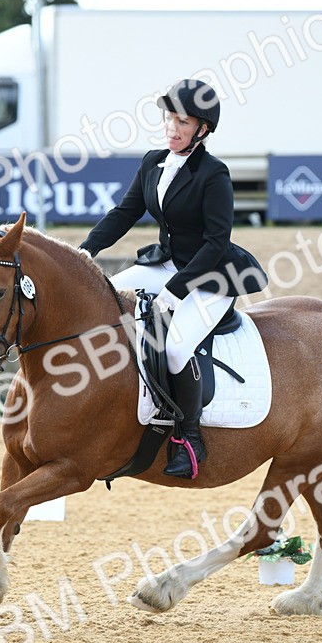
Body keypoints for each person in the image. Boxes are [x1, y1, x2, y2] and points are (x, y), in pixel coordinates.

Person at [80, 79, 267, 479]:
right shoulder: (153, 161)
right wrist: (85, 251)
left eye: (182, 122)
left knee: (178, 347)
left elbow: (217, 243)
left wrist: (175, 291)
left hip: (211, 275)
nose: (172, 127)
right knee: (106, 298)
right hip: (166, 261)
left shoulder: (214, 174)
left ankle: (190, 438)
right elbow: (124, 212)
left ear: (202, 130)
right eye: (169, 117)